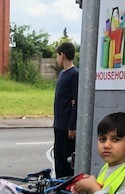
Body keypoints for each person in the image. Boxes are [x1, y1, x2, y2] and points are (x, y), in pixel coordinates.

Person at [53, 42, 79, 179]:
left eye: (57, 55)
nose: (57, 58)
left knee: (66, 158)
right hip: (58, 123)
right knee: (58, 156)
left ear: (62, 55)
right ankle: (58, 183)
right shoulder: (63, 73)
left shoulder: (74, 74)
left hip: (66, 126)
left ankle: (66, 185)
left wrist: (72, 126)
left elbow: (76, 101)